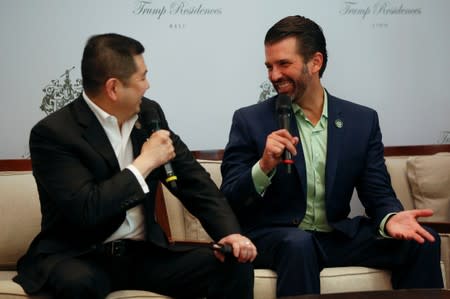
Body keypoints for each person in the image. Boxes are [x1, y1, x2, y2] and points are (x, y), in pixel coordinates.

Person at [13, 33, 257, 299]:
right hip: (80, 254)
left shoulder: (149, 115)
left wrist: (231, 234)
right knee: (78, 283)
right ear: (113, 88)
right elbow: (87, 209)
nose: (148, 85)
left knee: (234, 266)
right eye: (142, 77)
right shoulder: (54, 133)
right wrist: (145, 162)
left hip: (143, 255)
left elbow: (195, 183)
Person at [220, 15, 443, 297]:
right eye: (269, 66)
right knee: (299, 243)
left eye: (283, 64)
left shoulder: (361, 121)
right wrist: (263, 166)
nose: (274, 75)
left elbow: (377, 192)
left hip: (334, 236)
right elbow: (228, 198)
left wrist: (390, 218)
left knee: (423, 240)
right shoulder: (249, 120)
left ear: (315, 62)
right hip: (277, 238)